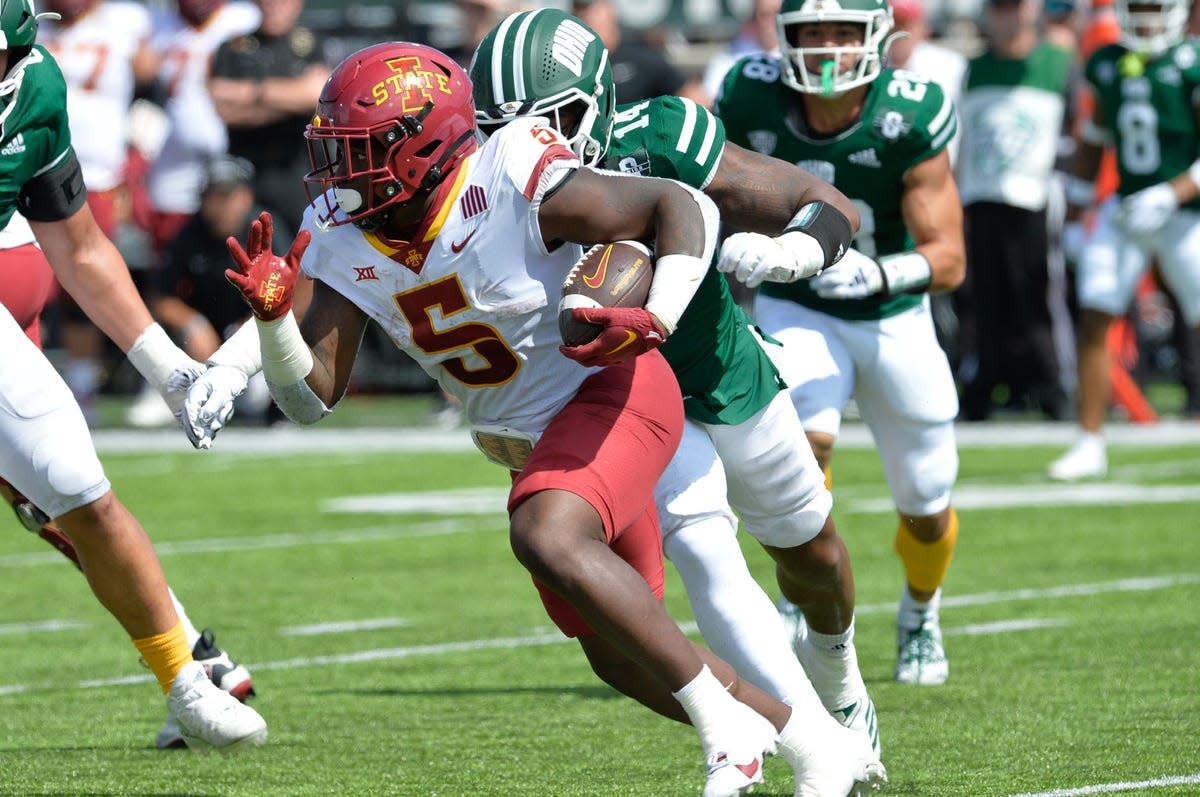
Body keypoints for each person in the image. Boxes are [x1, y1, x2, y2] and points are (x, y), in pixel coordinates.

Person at [185, 41, 886, 795]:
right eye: (336, 151)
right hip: (532, 440)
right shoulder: (341, 232)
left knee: (547, 532)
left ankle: (729, 738)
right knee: (619, 651)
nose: (340, 173)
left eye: (362, 150)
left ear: (420, 142)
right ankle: (815, 744)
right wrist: (268, 326)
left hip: (610, 390)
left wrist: (655, 312)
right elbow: (309, 400)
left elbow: (676, 204)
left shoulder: (511, 166)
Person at [471, 6, 884, 760]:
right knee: (705, 552)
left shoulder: (654, 138)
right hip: (618, 391)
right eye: (499, 128)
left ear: (597, 103)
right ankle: (818, 743)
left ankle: (842, 677)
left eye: (553, 119)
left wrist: (795, 251)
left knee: (809, 550)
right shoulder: (481, 190)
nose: (529, 143)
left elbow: (827, 203)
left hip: (718, 369)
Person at [0, 0, 265, 752]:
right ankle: (198, 662)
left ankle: (188, 671)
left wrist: (167, 368)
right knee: (51, 498)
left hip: (12, 275)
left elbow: (80, 244)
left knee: (67, 485)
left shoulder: (38, 85)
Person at [714, 0, 967, 687]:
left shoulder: (909, 113)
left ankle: (920, 609)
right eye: (811, 33)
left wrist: (880, 270)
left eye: (843, 32)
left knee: (924, 501)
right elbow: (710, 186)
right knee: (804, 436)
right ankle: (804, 597)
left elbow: (949, 258)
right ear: (784, 38)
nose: (826, 49)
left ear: (877, 39)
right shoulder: (748, 92)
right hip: (800, 305)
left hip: (893, 309)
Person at [1048, 0, 1200, 481]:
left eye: (1155, 8)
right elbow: (1095, 136)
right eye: (1138, 8)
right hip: (1128, 205)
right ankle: (1089, 441)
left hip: (1187, 210)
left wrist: (1174, 192)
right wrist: (1075, 215)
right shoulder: (1106, 61)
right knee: (1095, 312)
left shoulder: (1192, 60)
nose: (1147, 18)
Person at [39, 0, 161, 421]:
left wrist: (137, 154)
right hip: (33, 171)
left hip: (102, 177)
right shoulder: (27, 19)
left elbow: (154, 88)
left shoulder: (126, 21)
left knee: (88, 285)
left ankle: (88, 387)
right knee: (36, 285)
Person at [955, 0, 1075, 422]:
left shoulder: (1059, 63)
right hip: (982, 196)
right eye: (1000, 8)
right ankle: (988, 383)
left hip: (1037, 198)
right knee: (985, 299)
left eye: (1015, 8)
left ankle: (1049, 384)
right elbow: (965, 138)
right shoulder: (975, 68)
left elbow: (1077, 134)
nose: (1008, 17)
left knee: (1037, 297)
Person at [149, 155, 281, 425]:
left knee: (256, 398)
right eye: (213, 196)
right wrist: (193, 323)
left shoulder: (268, 229)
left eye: (227, 196)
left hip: (257, 334)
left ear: (245, 196)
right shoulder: (188, 235)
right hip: (203, 344)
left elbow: (293, 293)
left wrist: (248, 333)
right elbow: (161, 298)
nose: (220, 206)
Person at [145, 0, 260, 257]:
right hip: (171, 176)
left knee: (235, 266)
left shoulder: (244, 18)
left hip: (232, 172)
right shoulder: (154, 24)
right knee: (172, 272)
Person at [207, 0, 330, 232]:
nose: (276, 4)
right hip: (247, 181)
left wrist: (251, 92)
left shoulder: (312, 44)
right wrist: (291, 97)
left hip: (301, 178)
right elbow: (224, 107)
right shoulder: (234, 48)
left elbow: (316, 95)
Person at [571, 0, 708, 104]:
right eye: (578, 10)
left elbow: (695, 97)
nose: (584, 16)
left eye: (589, 9)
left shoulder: (639, 54)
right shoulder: (570, 62)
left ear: (609, 9)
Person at [699, 0, 780, 107]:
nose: (770, 21)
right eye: (764, 15)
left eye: (776, 13)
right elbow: (706, 98)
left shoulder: (798, 55)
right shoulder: (731, 56)